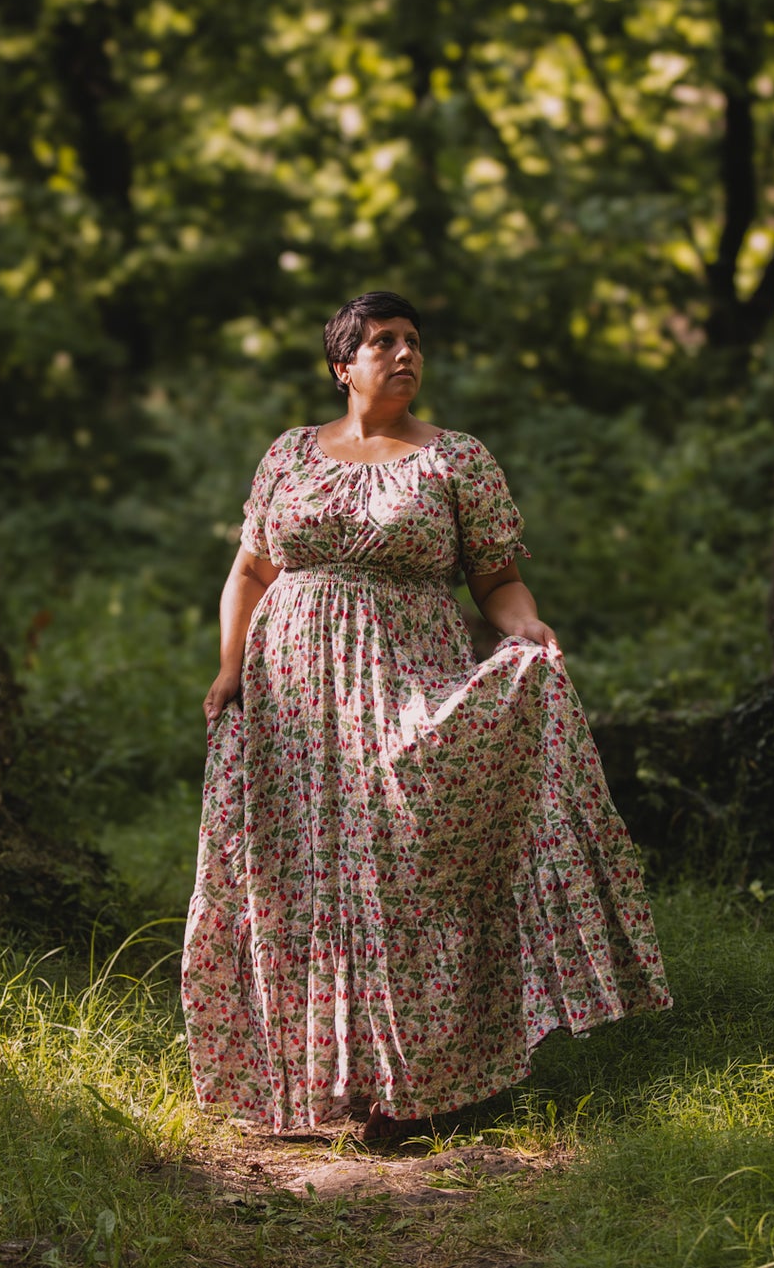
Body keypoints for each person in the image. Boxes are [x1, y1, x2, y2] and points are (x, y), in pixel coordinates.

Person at [182, 291, 670, 1142]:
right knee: (301, 877)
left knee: (401, 871)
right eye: (383, 341)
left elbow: (497, 579)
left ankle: (413, 1086)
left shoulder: (458, 460)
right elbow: (250, 571)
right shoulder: (289, 454)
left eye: (413, 339)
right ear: (343, 366)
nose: (405, 353)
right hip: (293, 700)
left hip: (404, 678)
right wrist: (229, 669)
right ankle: (320, 1082)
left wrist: (526, 627)